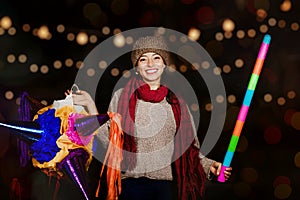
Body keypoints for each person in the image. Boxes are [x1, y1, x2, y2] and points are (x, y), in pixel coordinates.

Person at [67, 35, 232, 200]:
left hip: (165, 189)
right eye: (143, 59)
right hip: (130, 187)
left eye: (156, 58)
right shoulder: (121, 97)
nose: (151, 64)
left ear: (164, 65)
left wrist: (211, 166)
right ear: (137, 67)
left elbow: (190, 149)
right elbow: (110, 142)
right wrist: (90, 106)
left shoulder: (177, 103)